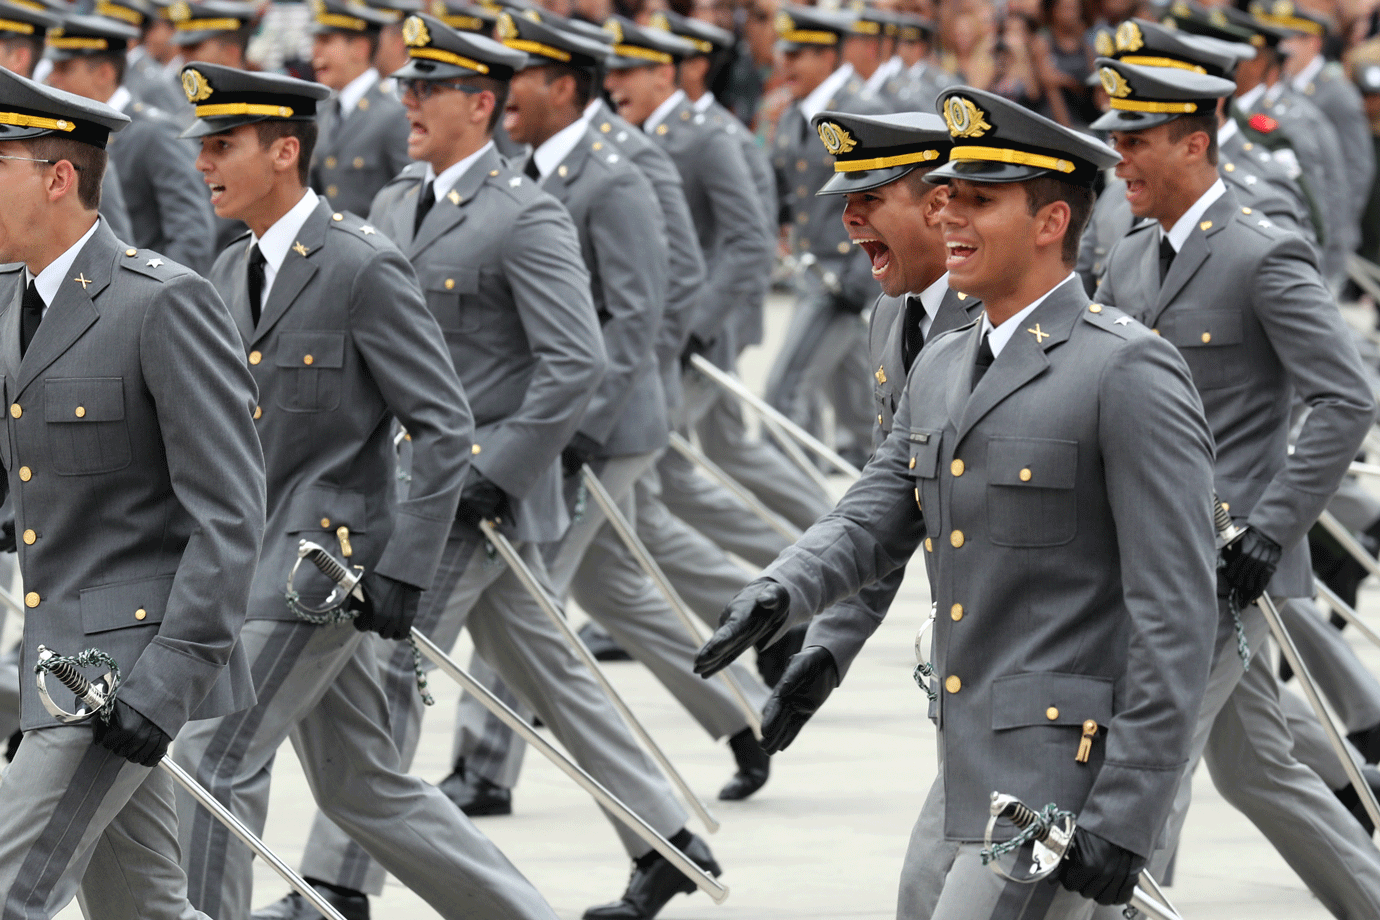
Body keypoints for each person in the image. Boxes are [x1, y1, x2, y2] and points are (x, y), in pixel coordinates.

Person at [697, 86, 1219, 920]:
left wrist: (1130, 810)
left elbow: (1176, 611)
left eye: (979, 200)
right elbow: (874, 511)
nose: (950, 217)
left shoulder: (1125, 372)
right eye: (946, 198)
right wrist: (782, 591)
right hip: (974, 740)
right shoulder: (944, 365)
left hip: (1061, 765)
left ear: (1052, 224)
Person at [287, 17, 721, 920]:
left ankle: (336, 882)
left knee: (385, 670)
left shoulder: (527, 213)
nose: (406, 102)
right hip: (418, 480)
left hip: (469, 495)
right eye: (404, 87)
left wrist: (498, 466)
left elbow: (577, 359)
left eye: (426, 91)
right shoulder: (402, 201)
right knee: (551, 669)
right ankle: (668, 840)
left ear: (479, 105)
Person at [162, 62, 560, 920]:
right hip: (249, 560)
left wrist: (406, 568)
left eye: (223, 146)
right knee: (366, 788)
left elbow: (444, 422)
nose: (203, 164)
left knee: (210, 762)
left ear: (284, 151)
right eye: (202, 146)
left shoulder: (359, 264)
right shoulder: (230, 272)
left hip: (314, 573)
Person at [444, 8, 773, 814]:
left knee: (520, 589)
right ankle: (744, 715)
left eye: (514, 76)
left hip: (599, 425)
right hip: (560, 418)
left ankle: (484, 767)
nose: (499, 91)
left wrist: (580, 428)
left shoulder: (618, 167)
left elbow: (645, 309)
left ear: (562, 82)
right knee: (616, 587)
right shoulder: (531, 163)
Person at [1090, 53, 1380, 917]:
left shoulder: (1261, 251)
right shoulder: (1133, 255)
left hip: (1220, 568)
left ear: (1194, 143)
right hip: (1143, 549)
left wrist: (1272, 527)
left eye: (1138, 141)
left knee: (1143, 771)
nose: (1121, 160)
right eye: (1116, 140)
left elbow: (1345, 396)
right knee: (1262, 773)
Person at [0, 66, 266, 920]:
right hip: (55, 657)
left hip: (121, 670)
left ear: (58, 176)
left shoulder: (161, 303)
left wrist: (168, 682)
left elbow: (228, 511)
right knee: (142, 909)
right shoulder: (11, 302)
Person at [754, 109, 983, 742]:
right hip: (966, 661)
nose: (849, 219)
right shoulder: (890, 316)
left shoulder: (1001, 322)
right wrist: (828, 649)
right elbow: (892, 503)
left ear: (938, 204)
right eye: (847, 201)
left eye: (870, 200)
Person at [761, 4, 886, 470]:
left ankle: (790, 513)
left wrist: (863, 275)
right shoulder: (798, 112)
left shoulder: (859, 110)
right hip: (816, 270)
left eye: (799, 54)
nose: (786, 64)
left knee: (785, 392)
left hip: (841, 277)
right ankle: (874, 473)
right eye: (784, 53)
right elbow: (786, 193)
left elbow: (882, 197)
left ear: (830, 57)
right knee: (859, 398)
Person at [44, 12, 217, 273]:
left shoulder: (152, 132)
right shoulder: (67, 133)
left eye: (64, 69)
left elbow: (191, 236)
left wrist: (156, 296)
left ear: (103, 73)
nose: (52, 79)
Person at [308, 0, 412, 217]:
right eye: (315, 41)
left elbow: (409, 201)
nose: (315, 51)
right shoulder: (324, 112)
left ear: (360, 49)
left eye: (325, 41)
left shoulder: (394, 114)